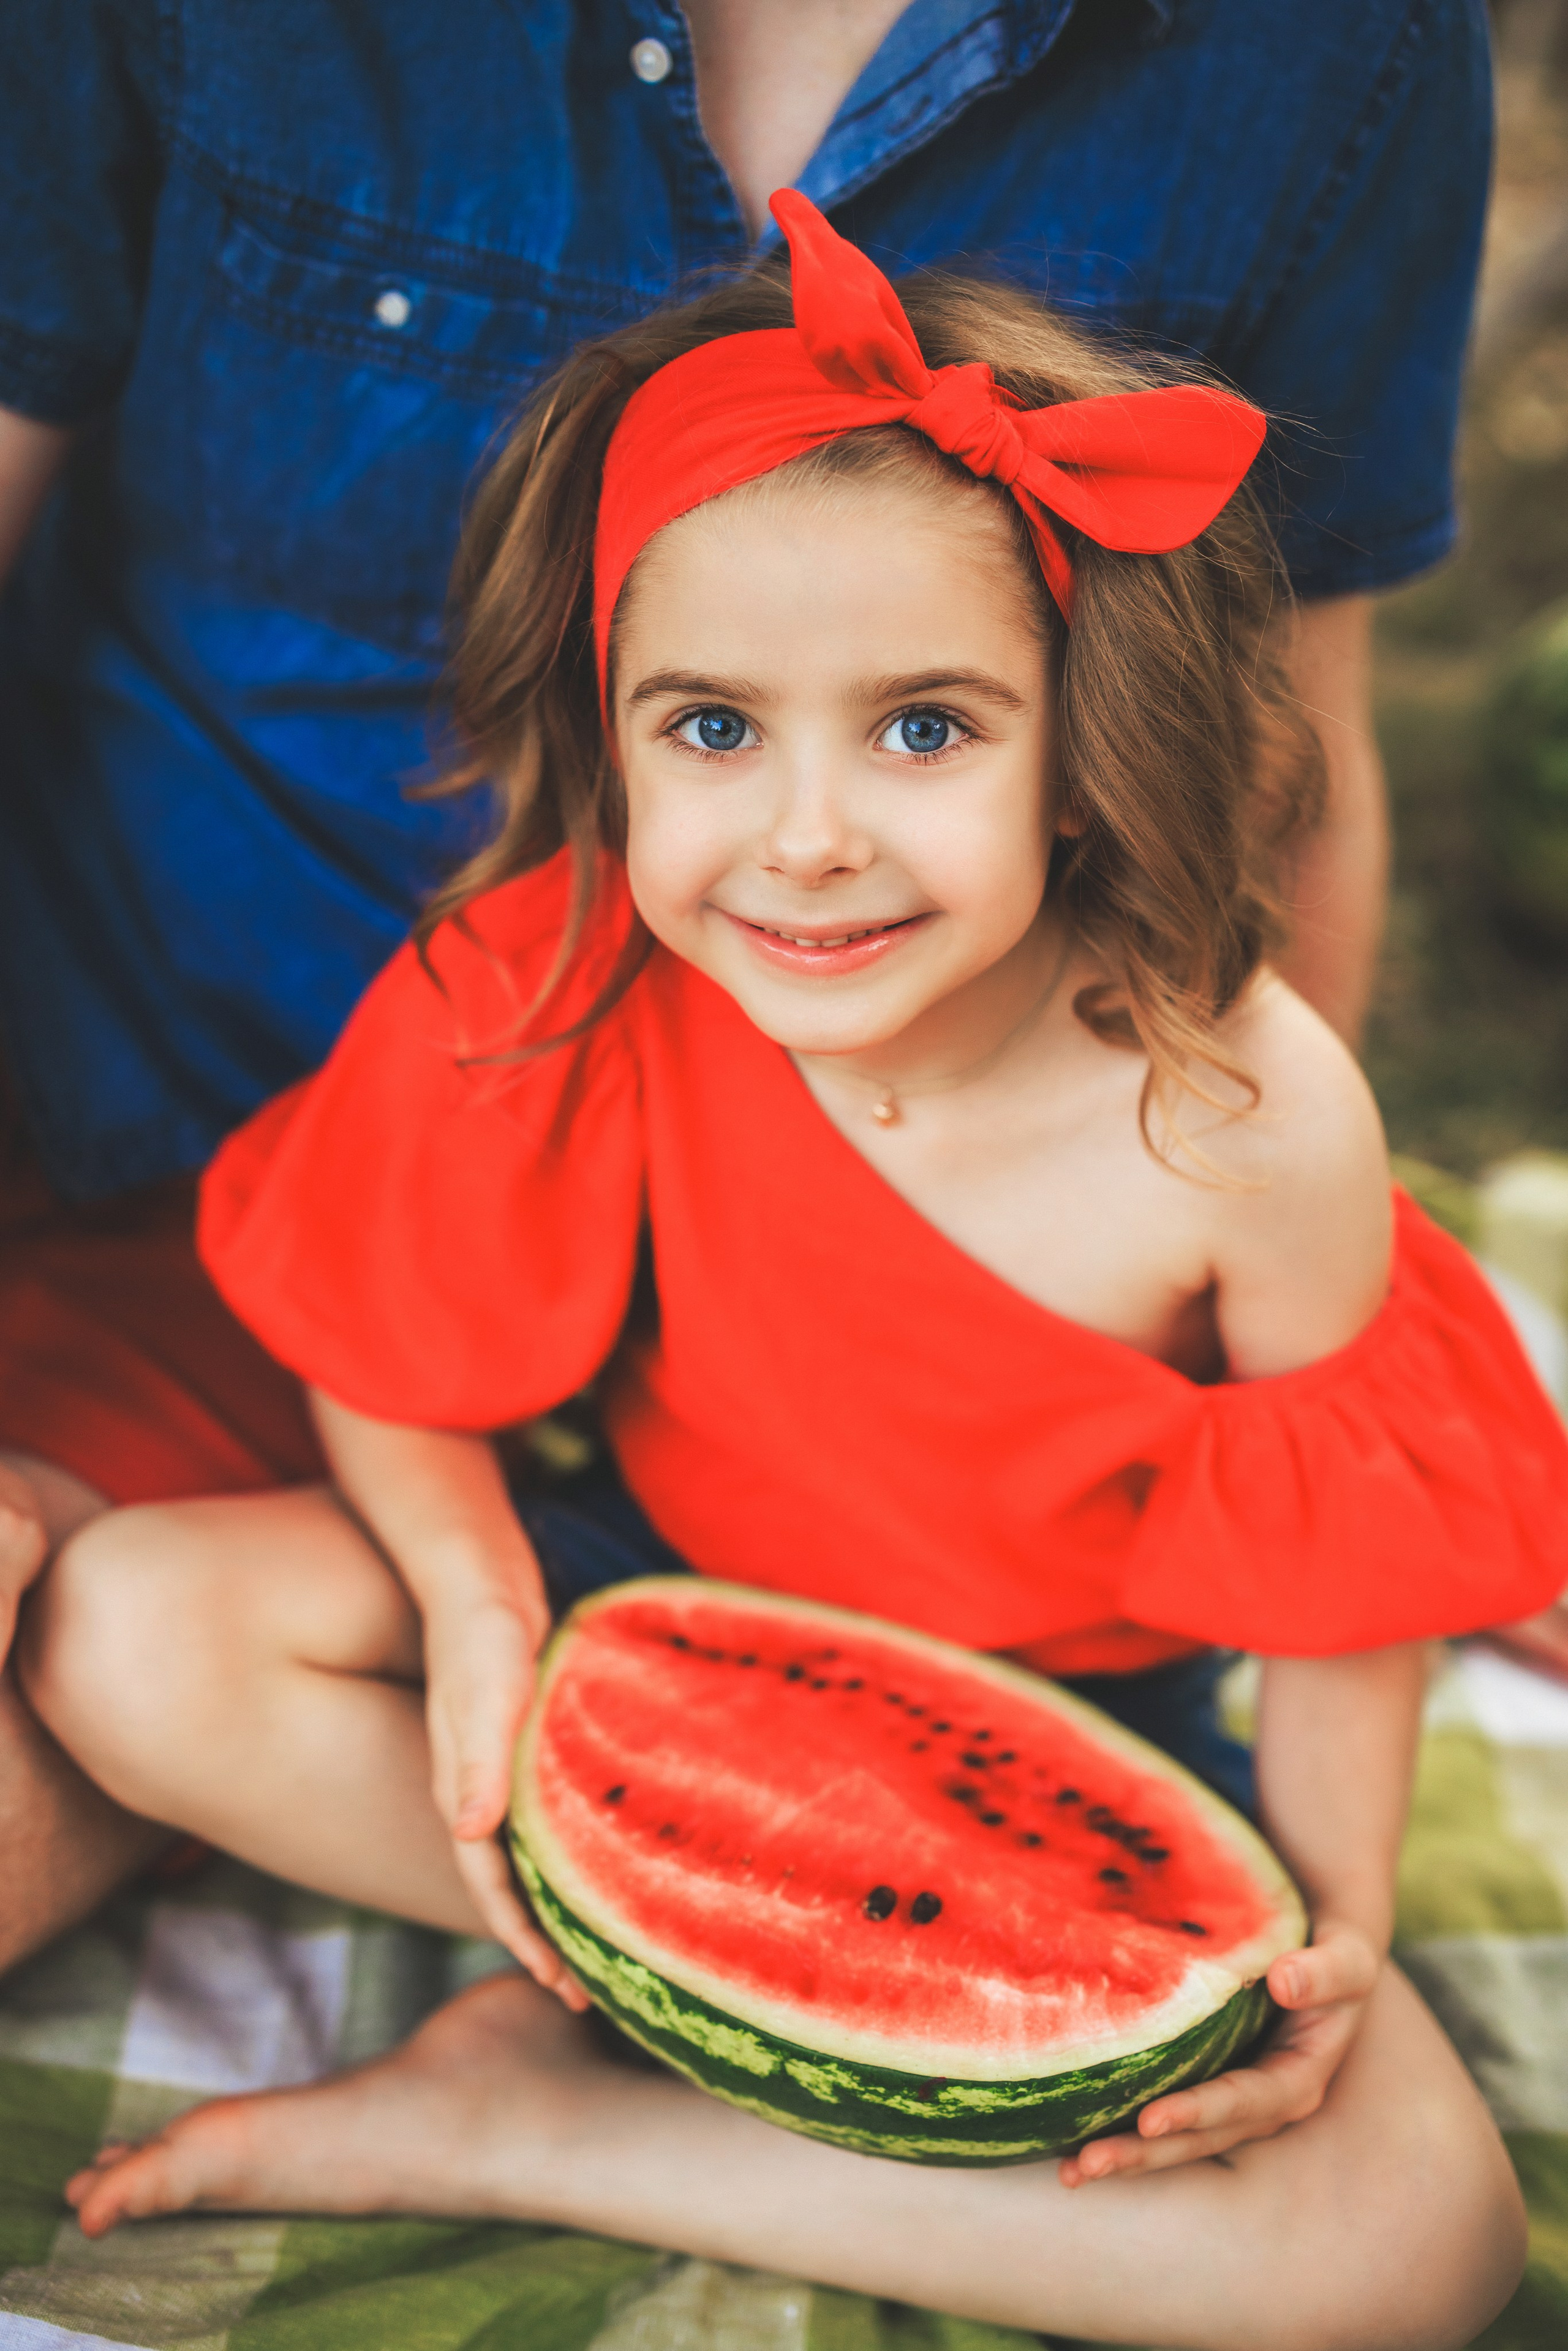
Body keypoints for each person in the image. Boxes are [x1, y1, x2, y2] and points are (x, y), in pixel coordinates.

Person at [19, 195, 1553, 2347]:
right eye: (715, 729)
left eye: (924, 728)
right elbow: (380, 1336)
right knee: (129, 1630)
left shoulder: (1244, 1111)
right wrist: (473, 1598)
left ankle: (544, 2126)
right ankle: (658, 1964)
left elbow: (1342, 1588)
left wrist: (1340, 1930)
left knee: (1417, 2251)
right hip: (648, 1590)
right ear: (614, 732)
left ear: (1087, 749)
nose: (807, 836)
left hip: (1069, 1722)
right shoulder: (569, 973)